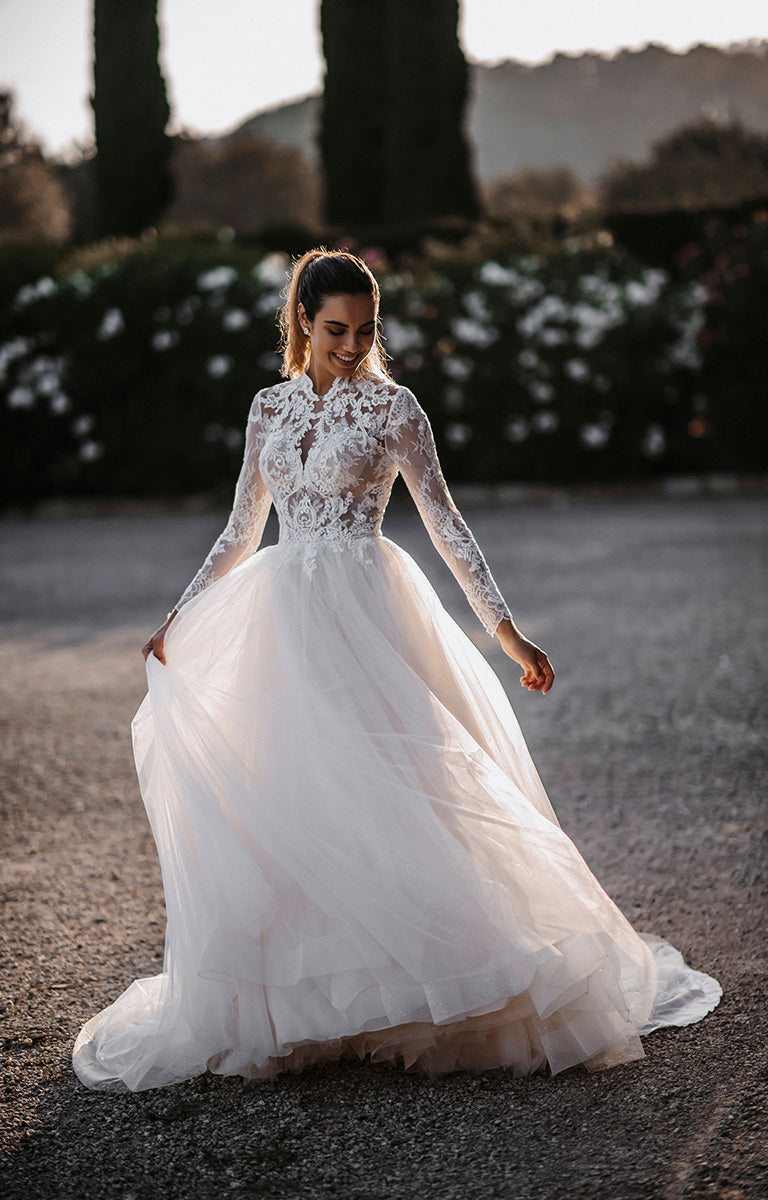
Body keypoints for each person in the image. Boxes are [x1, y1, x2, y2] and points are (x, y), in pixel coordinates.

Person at [72, 249, 721, 1093]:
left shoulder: (394, 407)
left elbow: (446, 522)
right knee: (297, 796)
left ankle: (435, 989)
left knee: (395, 791)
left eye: (365, 329)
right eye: (335, 329)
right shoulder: (268, 407)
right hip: (283, 620)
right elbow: (241, 529)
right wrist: (179, 616)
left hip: (369, 616)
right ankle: (312, 1005)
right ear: (303, 321)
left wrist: (506, 632)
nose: (351, 345)